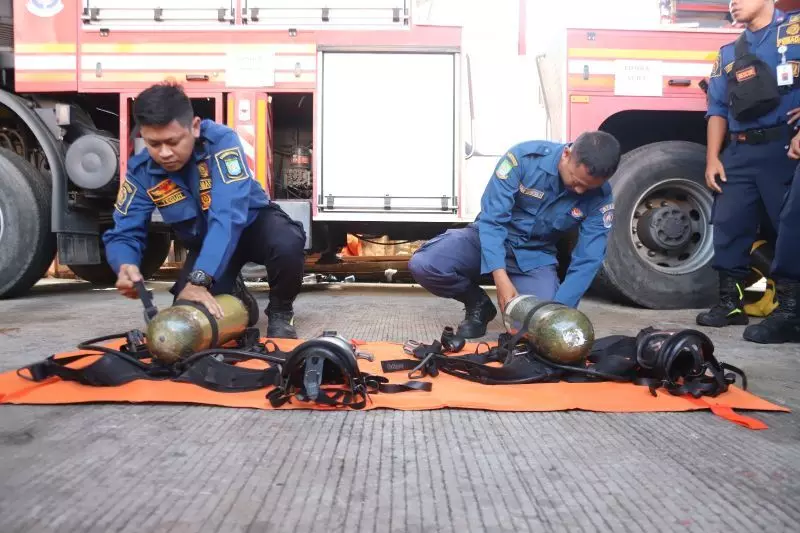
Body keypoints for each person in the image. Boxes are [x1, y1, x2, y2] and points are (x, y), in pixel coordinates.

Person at [103, 83, 306, 339]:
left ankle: (280, 311)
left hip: (252, 227)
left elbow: (228, 214)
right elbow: (124, 231)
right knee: (188, 320)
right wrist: (125, 265)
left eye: (173, 141)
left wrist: (200, 279)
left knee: (287, 242)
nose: (164, 153)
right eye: (154, 144)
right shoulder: (142, 170)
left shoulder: (221, 142)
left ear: (195, 127)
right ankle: (238, 297)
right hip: (208, 243)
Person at [408, 131, 621, 339]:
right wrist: (500, 279)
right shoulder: (523, 160)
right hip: (486, 241)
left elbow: (588, 259)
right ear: (566, 154)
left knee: (538, 326)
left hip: (534, 257)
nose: (581, 192)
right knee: (426, 264)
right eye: (576, 182)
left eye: (589, 188)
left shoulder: (601, 198)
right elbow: (493, 221)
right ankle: (478, 304)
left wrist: (557, 313)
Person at [697, 0, 800, 328]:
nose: (733, 3)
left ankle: (790, 312)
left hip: (784, 147)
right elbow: (716, 108)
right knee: (728, 224)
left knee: (789, 228)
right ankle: (730, 303)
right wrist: (713, 157)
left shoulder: (795, 32)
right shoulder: (729, 52)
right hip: (738, 152)